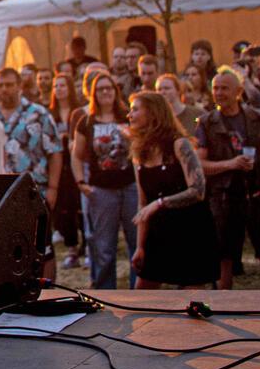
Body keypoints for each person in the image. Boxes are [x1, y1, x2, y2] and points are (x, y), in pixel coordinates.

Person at [128, 92, 217, 289]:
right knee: (142, 291)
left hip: (190, 229)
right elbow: (143, 204)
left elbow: (198, 190)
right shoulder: (139, 153)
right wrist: (140, 246)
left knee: (191, 297)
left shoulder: (179, 144)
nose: (129, 115)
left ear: (153, 113)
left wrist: (160, 204)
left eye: (135, 109)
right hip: (159, 231)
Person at [193, 68, 260, 289]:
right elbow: (199, 165)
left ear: (238, 91)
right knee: (224, 256)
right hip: (223, 197)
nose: (219, 92)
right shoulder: (206, 122)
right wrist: (230, 164)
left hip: (258, 195)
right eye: (215, 88)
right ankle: (222, 309)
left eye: (224, 88)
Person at [0, 68, 63, 265]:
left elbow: (55, 151)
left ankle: (47, 289)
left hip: (35, 190)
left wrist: (54, 188)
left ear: (19, 86)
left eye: (9, 85)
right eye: (0, 85)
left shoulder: (39, 114)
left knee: (42, 247)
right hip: (0, 194)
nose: (5, 89)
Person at [71, 73, 136, 289]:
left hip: (130, 187)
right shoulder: (86, 122)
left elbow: (142, 149)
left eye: (109, 88)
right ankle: (105, 293)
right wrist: (81, 183)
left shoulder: (127, 116)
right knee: (104, 247)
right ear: (93, 94)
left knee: (135, 243)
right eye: (101, 89)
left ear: (116, 91)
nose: (106, 92)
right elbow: (76, 155)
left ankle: (141, 290)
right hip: (101, 190)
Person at [48, 72, 84, 269]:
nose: (59, 89)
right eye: (56, 86)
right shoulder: (49, 114)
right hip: (59, 165)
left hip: (75, 162)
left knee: (80, 206)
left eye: (62, 85)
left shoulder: (78, 112)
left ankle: (86, 246)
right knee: (64, 208)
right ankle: (71, 249)